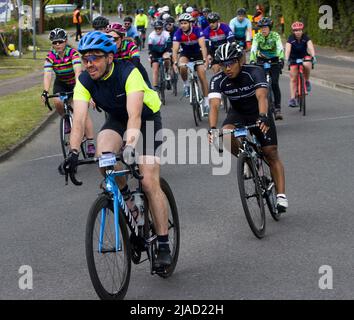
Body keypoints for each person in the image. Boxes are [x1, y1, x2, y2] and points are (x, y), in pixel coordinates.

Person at [61, 31, 172, 267]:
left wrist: (130, 146)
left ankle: (163, 243)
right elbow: (79, 121)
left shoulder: (128, 72)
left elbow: (135, 116)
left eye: (96, 57)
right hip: (116, 119)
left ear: (110, 58)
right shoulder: (84, 81)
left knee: (150, 180)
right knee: (104, 159)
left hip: (147, 118)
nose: (89, 63)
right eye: (85, 58)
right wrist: (72, 152)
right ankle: (128, 199)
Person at [208, 42, 288, 213]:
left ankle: (281, 196)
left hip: (258, 111)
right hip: (237, 113)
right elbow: (214, 105)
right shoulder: (217, 80)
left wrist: (263, 117)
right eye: (223, 64)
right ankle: (247, 159)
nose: (227, 68)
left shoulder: (254, 72)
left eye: (231, 63)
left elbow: (262, 97)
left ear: (240, 60)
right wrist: (213, 128)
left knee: (270, 152)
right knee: (226, 134)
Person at [41, 28, 95, 158]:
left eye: (60, 41)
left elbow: (78, 72)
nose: (57, 44)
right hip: (62, 83)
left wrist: (79, 91)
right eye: (55, 42)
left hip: (76, 81)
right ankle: (66, 118)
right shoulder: (50, 57)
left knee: (81, 112)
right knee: (58, 101)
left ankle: (90, 142)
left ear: (65, 41)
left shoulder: (73, 54)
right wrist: (45, 91)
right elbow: (47, 75)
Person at [172, 13, 209, 114]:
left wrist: (205, 60)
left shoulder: (197, 31)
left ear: (190, 24)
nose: (183, 25)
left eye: (185, 23)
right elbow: (175, 50)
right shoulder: (178, 33)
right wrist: (175, 63)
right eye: (181, 23)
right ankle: (186, 84)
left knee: (202, 76)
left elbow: (203, 47)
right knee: (182, 67)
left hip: (198, 54)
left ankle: (206, 101)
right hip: (186, 54)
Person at [250, 17, 285, 120]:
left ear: (269, 28)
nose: (263, 30)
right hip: (261, 61)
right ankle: (259, 108)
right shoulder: (257, 36)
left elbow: (280, 48)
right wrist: (252, 60)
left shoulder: (275, 36)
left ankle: (277, 108)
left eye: (265, 28)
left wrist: (281, 59)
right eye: (261, 28)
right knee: (260, 85)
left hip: (274, 61)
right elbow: (253, 49)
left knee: (274, 83)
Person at [106, 23, 152, 88]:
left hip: (133, 69)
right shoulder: (107, 48)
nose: (112, 42)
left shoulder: (130, 45)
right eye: (109, 39)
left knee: (148, 88)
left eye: (115, 39)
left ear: (122, 38)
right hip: (117, 74)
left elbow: (136, 59)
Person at [285, 21, 316, 108]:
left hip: (304, 56)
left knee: (307, 63)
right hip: (293, 58)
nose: (297, 32)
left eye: (299, 30)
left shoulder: (306, 38)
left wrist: (313, 56)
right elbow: (287, 50)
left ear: (302, 31)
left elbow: (310, 47)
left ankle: (306, 81)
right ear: (293, 31)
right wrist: (286, 59)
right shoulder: (291, 38)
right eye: (295, 30)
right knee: (293, 78)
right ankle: (292, 99)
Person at [148, 20, 172, 91]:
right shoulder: (151, 36)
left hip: (164, 50)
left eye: (160, 28)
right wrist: (151, 56)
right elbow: (150, 48)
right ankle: (155, 87)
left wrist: (168, 52)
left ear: (162, 28)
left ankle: (167, 73)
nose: (158, 30)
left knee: (167, 58)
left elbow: (169, 45)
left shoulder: (166, 34)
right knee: (155, 69)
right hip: (155, 52)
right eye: (156, 28)